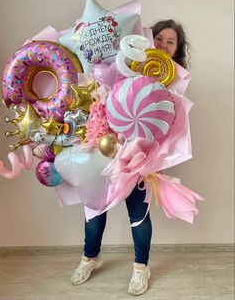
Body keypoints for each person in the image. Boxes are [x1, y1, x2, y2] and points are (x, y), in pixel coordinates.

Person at [70, 19, 190, 296]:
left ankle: (140, 269)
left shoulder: (174, 83)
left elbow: (170, 126)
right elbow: (105, 97)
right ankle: (90, 257)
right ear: (149, 39)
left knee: (138, 214)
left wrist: (149, 158)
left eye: (170, 42)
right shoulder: (126, 66)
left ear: (176, 49)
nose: (163, 45)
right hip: (106, 149)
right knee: (95, 209)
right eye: (159, 38)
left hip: (142, 160)